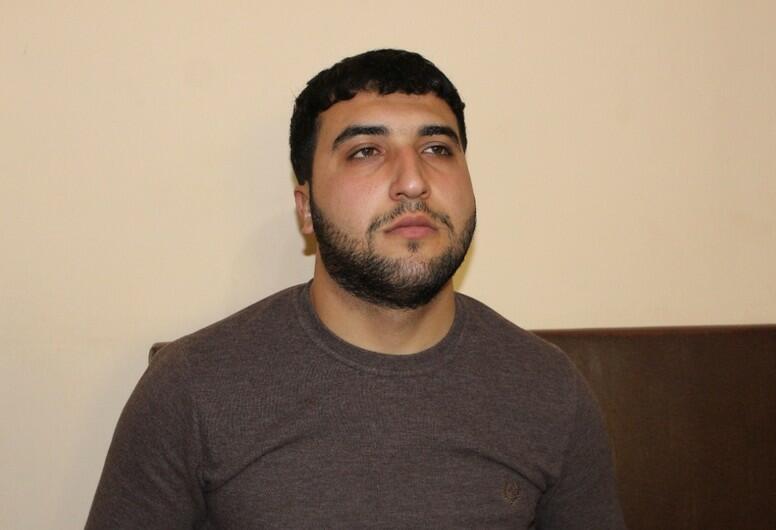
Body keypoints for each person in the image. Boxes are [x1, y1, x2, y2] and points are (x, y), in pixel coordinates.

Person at [86, 49, 625, 529]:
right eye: (366, 150)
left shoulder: (550, 391)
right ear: (306, 210)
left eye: (437, 148)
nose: (413, 181)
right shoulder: (191, 390)